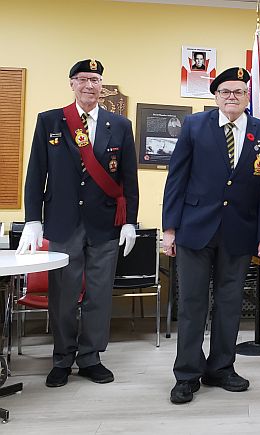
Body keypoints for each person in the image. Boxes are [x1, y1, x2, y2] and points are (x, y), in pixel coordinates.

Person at [16, 59, 139, 388]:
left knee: (99, 294)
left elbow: (129, 178)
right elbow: (36, 173)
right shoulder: (50, 121)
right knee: (63, 295)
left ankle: (90, 357)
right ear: (72, 83)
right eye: (83, 79)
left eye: (95, 80)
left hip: (105, 223)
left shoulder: (120, 125)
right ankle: (62, 357)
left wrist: (130, 222)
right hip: (63, 222)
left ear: (102, 86)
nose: (89, 85)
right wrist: (32, 219)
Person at [162, 67, 260, 404]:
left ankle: (221, 368)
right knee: (192, 304)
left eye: (239, 91)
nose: (232, 96)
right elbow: (176, 179)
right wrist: (169, 228)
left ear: (247, 97)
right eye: (225, 91)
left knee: (229, 304)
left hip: (239, 232)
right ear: (215, 96)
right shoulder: (194, 126)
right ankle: (186, 374)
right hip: (194, 229)